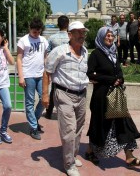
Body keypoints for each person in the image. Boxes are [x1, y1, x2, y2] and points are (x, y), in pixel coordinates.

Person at [85, 26, 140, 168]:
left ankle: (129, 156)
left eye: (111, 36)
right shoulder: (96, 54)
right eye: (107, 35)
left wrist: (119, 79)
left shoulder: (113, 53)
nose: (110, 38)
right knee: (99, 125)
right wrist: (110, 79)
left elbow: (119, 72)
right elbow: (90, 73)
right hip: (101, 97)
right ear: (100, 37)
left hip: (116, 96)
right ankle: (90, 151)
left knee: (124, 122)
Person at [42, 21, 89, 176]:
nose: (81, 35)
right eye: (78, 32)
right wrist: (44, 95)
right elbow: (47, 72)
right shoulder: (59, 51)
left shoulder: (85, 52)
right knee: (69, 130)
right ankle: (69, 164)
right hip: (64, 94)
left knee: (78, 128)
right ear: (70, 35)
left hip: (81, 95)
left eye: (83, 32)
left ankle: (73, 156)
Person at [17, 18, 49, 140]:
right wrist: (21, 76)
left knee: (43, 99)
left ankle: (34, 120)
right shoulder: (23, 41)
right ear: (30, 29)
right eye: (34, 31)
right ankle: (33, 127)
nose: (36, 33)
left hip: (41, 74)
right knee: (29, 102)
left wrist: (47, 73)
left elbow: (46, 57)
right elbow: (19, 59)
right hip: (28, 74)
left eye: (38, 31)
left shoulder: (43, 40)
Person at [44, 15, 70, 119]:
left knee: (54, 90)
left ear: (58, 25)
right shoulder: (71, 37)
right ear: (68, 24)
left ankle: (49, 112)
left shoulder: (52, 38)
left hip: (56, 68)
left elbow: (48, 54)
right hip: (68, 67)